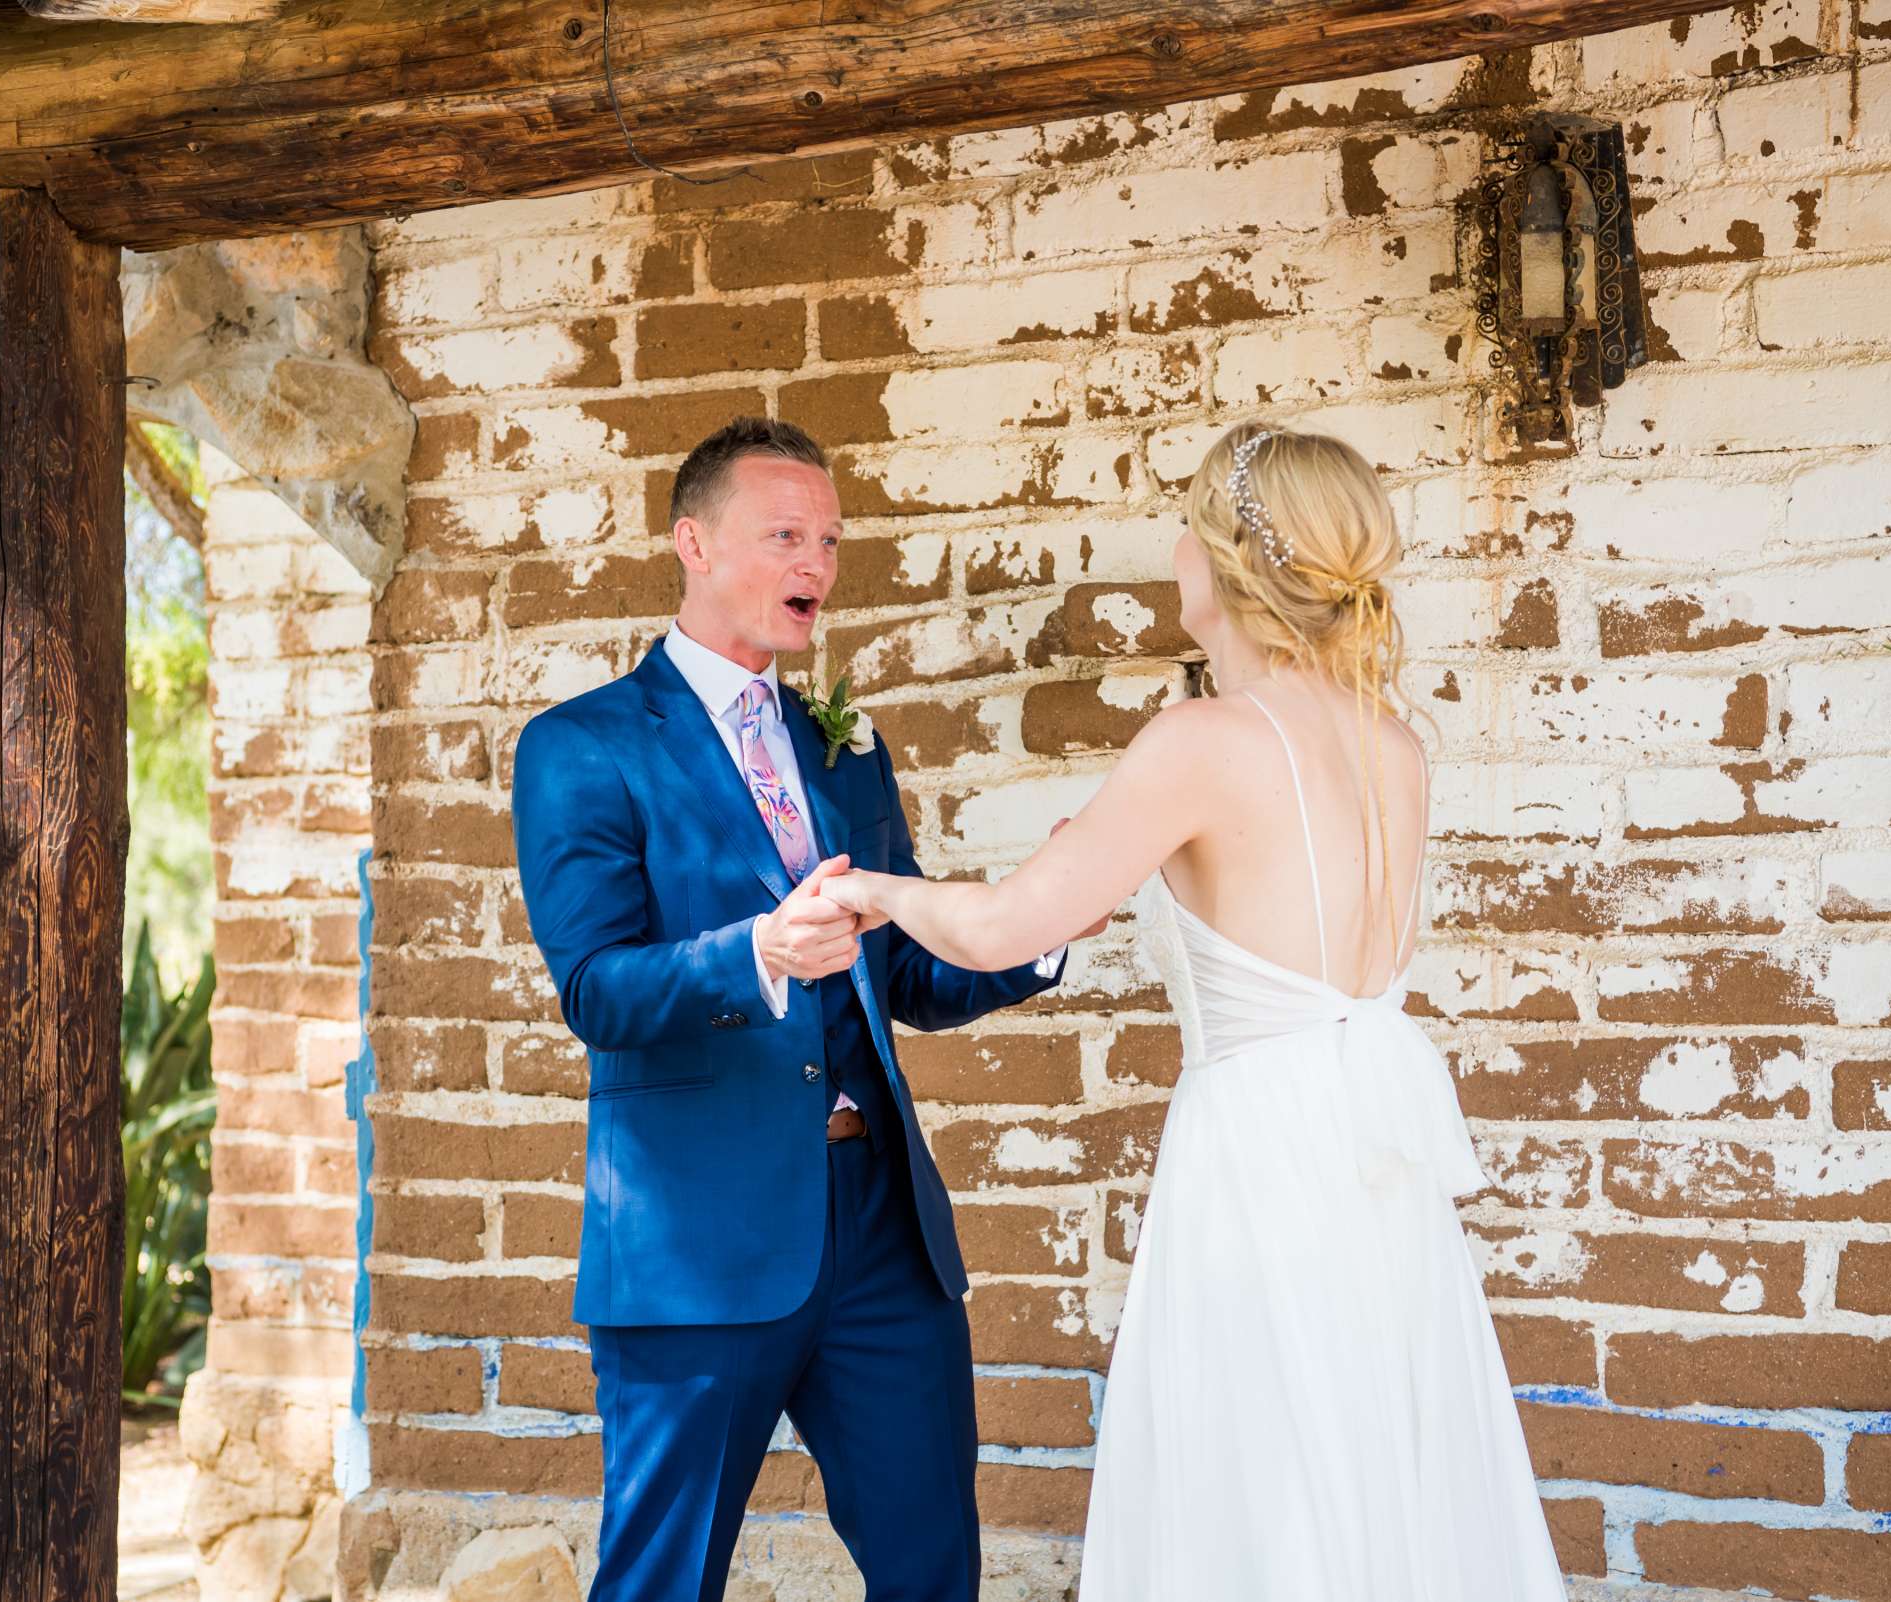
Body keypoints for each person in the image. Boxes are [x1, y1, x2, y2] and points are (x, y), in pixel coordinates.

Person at [818, 423, 1569, 1601]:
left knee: (1260, 1464)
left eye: (1186, 517)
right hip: (1375, 1159)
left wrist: (872, 890)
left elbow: (1006, 928)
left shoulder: (1203, 743)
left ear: (1219, 560)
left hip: (1259, 1157)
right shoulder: (1394, 746)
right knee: (1375, 1448)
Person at [510, 417, 1098, 1602]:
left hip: (881, 1227)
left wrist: (1036, 935)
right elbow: (596, 991)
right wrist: (758, 954)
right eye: (786, 534)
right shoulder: (580, 748)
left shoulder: (845, 750)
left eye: (829, 539)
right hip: (696, 1241)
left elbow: (908, 980)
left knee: (934, 1568)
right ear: (693, 542)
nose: (817, 565)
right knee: (662, 1582)